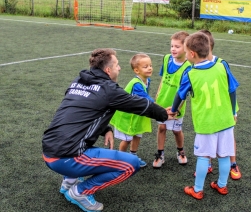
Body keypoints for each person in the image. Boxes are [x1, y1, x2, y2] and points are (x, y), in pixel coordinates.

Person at [42, 48, 173, 211]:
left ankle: (69, 181)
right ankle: (79, 192)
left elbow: (84, 111)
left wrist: (106, 129)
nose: (120, 68)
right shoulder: (109, 89)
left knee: (79, 139)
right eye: (117, 65)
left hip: (49, 152)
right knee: (131, 164)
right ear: (108, 70)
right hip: (67, 158)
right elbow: (137, 104)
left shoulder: (79, 80)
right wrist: (163, 114)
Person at [169, 32, 239, 200]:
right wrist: (233, 111)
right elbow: (232, 89)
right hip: (225, 120)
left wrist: (173, 109)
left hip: (206, 124)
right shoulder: (222, 65)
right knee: (224, 154)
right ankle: (222, 186)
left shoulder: (190, 74)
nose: (185, 55)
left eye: (185, 52)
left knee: (203, 156)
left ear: (192, 54)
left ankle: (198, 189)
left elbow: (179, 95)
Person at [193, 29, 241, 180]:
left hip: (225, 109)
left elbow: (231, 88)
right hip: (207, 110)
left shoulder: (221, 64)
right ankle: (207, 163)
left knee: (227, 136)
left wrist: (233, 111)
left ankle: (233, 164)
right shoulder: (195, 67)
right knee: (208, 136)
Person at [153, 31, 191, 168]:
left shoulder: (189, 66)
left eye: (177, 46)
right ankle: (160, 154)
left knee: (176, 130)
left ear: (186, 48)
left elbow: (185, 92)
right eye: (172, 46)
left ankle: (180, 151)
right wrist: (157, 95)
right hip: (162, 102)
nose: (173, 49)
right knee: (161, 127)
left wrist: (177, 109)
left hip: (177, 106)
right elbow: (163, 78)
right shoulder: (167, 58)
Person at [110, 53, 154, 168]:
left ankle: (133, 156)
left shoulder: (147, 80)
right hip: (127, 116)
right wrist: (162, 110)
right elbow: (147, 99)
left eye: (150, 65)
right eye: (145, 66)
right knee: (127, 139)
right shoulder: (136, 84)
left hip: (137, 114)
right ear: (136, 70)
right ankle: (120, 160)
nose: (149, 68)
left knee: (137, 135)